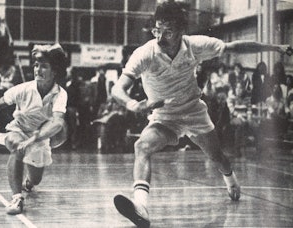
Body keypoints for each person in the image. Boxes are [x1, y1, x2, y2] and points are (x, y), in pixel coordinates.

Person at [110, 2, 292, 227]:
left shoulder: (195, 46)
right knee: (142, 146)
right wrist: (132, 105)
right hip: (164, 117)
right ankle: (141, 208)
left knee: (218, 158)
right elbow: (118, 89)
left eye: (168, 32)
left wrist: (275, 48)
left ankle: (231, 180)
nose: (160, 38)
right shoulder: (145, 53)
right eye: (157, 30)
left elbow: (236, 47)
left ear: (181, 30)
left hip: (194, 113)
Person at [0, 44, 68, 215]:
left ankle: (28, 183)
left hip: (40, 136)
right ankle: (17, 198)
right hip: (19, 130)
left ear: (55, 72)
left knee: (36, 180)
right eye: (36, 65)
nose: (38, 69)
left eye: (44, 66)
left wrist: (33, 140)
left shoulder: (60, 94)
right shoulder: (23, 89)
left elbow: (58, 123)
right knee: (16, 147)